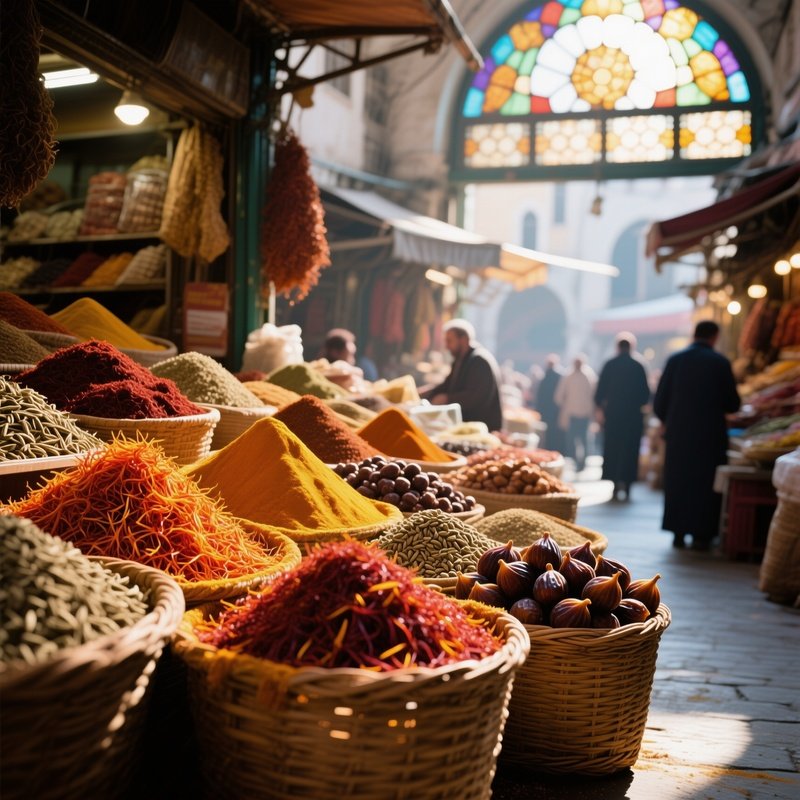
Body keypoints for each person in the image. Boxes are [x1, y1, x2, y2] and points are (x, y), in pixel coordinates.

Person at [653, 320, 741, 551]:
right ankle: (702, 534)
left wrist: (667, 421)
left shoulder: (675, 360)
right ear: (715, 337)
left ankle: (678, 531)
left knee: (679, 479)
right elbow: (733, 404)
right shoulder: (720, 363)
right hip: (709, 436)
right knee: (704, 483)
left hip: (679, 434)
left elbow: (660, 401)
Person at [594, 332, 651, 502]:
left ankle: (614, 483)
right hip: (633, 417)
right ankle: (627, 485)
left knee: (614, 449)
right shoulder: (639, 366)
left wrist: (602, 410)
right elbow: (646, 395)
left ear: (618, 347)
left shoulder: (610, 365)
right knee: (630, 450)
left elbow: (599, 394)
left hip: (613, 416)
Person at [420, 318, 503, 431]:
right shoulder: (460, 360)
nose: (447, 346)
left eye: (450, 341)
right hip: (467, 426)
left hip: (483, 428)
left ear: (463, 340)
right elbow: (447, 386)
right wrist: (424, 393)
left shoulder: (479, 361)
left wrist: (447, 398)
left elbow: (475, 396)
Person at [554, 354, 597, 473]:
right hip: (572, 413)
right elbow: (559, 396)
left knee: (583, 439)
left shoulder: (589, 376)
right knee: (571, 440)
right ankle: (575, 460)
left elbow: (593, 394)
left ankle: (582, 462)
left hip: (584, 413)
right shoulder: (568, 376)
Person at [536, 354, 565, 453]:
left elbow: (540, 395)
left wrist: (539, 409)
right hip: (556, 409)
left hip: (547, 410)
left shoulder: (546, 376)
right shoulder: (559, 376)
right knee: (555, 431)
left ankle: (549, 449)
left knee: (548, 432)